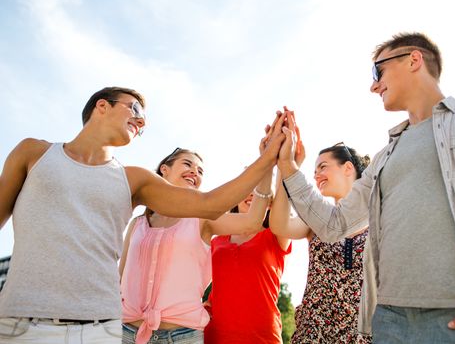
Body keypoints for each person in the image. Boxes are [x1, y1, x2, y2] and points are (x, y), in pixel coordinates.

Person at [277, 32, 455, 344]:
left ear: (413, 59)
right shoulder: (383, 159)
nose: (373, 85)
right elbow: (333, 224)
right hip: (389, 324)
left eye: (377, 71)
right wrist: (287, 166)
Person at [0, 86, 285, 343]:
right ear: (102, 106)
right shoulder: (33, 153)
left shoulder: (133, 180)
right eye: (134, 108)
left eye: (145, 119)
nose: (142, 121)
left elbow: (211, 203)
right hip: (21, 321)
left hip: (100, 327)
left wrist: (268, 158)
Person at [120, 138, 273, 344]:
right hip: (127, 333)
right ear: (164, 169)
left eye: (200, 171)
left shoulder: (202, 220)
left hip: (181, 336)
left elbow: (253, 221)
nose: (195, 172)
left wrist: (267, 165)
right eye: (187, 164)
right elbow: (119, 280)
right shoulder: (137, 224)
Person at [270, 142, 372, 344]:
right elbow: (279, 226)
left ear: (348, 168)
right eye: (314, 171)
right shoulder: (316, 219)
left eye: (323, 167)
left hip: (364, 335)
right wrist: (285, 167)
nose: (316, 175)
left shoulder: (378, 218)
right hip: (314, 333)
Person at [204, 189, 292, 343]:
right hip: (216, 334)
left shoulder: (276, 236)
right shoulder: (216, 240)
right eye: (249, 190)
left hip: (261, 335)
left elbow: (284, 198)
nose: (253, 195)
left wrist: (285, 166)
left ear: (269, 203)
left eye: (260, 191)